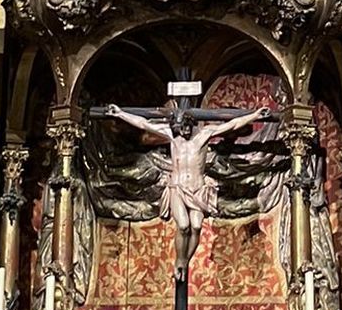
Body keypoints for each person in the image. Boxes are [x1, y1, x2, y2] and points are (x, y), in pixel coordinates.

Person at [95, 100, 266, 278]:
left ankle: (185, 261)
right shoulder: (171, 135)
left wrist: (254, 115)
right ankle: (179, 260)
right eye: (179, 126)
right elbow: (143, 123)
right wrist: (120, 113)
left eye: (185, 127)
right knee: (184, 226)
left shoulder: (204, 135)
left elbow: (233, 124)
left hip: (198, 189)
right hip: (177, 188)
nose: (182, 131)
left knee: (197, 226)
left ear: (192, 125)